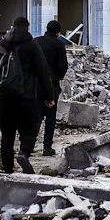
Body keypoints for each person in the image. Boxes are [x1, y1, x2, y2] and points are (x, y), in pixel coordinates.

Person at [0, 16, 55, 174]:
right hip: (26, 96)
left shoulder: (0, 46)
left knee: (7, 134)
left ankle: (8, 168)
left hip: (3, 97)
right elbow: (44, 73)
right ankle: (24, 153)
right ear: (27, 28)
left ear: (12, 27)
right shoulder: (32, 46)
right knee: (29, 130)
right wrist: (49, 97)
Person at [35, 20, 69, 155]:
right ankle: (47, 147)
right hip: (52, 84)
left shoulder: (36, 41)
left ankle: (28, 145)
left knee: (36, 115)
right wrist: (58, 77)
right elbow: (63, 66)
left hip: (36, 84)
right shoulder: (59, 44)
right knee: (50, 116)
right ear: (58, 32)